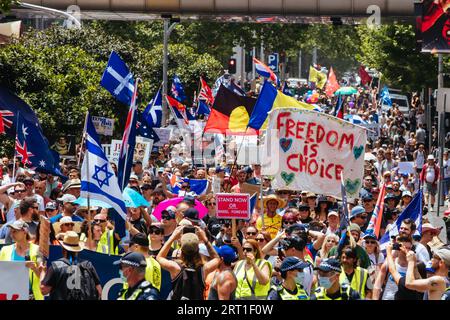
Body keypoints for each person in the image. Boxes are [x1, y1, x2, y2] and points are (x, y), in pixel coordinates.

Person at [157, 226, 219, 300]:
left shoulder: (175, 268)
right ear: (198, 249)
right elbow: (217, 259)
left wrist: (172, 237)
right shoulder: (203, 269)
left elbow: (159, 257)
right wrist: (205, 239)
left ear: (181, 250)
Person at [41, 231, 102, 300]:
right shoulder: (88, 265)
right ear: (78, 249)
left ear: (63, 248)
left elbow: (44, 290)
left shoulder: (56, 266)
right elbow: (99, 291)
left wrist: (42, 272)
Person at [0, 220, 44, 300]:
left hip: (32, 296)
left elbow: (42, 277)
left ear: (25, 231)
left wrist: (34, 268)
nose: (12, 234)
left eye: (15, 231)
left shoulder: (38, 250)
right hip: (11, 295)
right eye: (11, 232)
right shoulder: (4, 250)